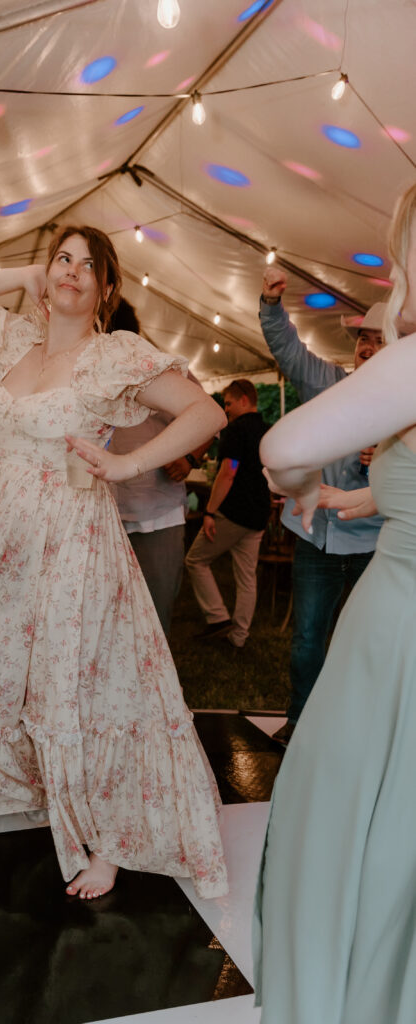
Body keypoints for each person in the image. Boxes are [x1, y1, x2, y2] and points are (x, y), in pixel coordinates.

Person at [0, 225, 229, 901]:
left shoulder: (113, 356)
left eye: (88, 265)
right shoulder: (13, 340)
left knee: (79, 688)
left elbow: (204, 413)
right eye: (63, 259)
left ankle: (107, 843)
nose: (72, 271)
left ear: (106, 288)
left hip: (73, 543)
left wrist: (125, 462)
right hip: (0, 548)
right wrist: (23, 275)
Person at [253, 182, 416, 1024]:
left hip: (401, 642)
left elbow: (278, 444)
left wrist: (301, 480)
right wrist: (348, 500)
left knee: (354, 849)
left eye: (403, 252)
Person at [259, 270, 385, 742]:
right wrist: (271, 307)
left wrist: (386, 461)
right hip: (316, 536)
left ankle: (353, 730)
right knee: (308, 638)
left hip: (372, 542)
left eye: (379, 340)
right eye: (363, 341)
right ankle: (299, 722)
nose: (368, 348)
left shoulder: (406, 408)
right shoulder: (330, 383)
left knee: (361, 643)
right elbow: (289, 351)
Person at [107, 299, 190, 636]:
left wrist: (189, 458)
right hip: (106, 512)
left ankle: (156, 685)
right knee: (110, 613)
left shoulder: (157, 367)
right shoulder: (85, 371)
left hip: (157, 511)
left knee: (154, 612)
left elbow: (209, 419)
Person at [184, 378, 270, 648]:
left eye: (229, 403)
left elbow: (228, 471)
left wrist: (209, 511)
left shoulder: (235, 430)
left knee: (195, 560)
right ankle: (239, 637)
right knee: (247, 577)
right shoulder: (268, 430)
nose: (226, 408)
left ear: (244, 400)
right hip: (259, 514)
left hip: (234, 512)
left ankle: (218, 618)